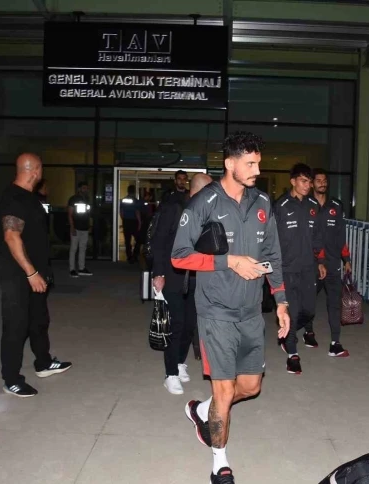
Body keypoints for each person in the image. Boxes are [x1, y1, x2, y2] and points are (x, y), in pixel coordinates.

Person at [171, 132, 290, 484]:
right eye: (250, 164)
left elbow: (273, 255)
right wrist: (230, 261)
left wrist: (281, 301)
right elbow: (179, 257)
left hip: (251, 312)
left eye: (258, 163)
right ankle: (219, 463)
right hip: (215, 312)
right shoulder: (204, 203)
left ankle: (203, 410)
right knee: (224, 390)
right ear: (229, 164)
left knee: (251, 386)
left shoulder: (263, 202)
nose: (257, 170)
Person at [0, 153, 72, 398]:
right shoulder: (14, 197)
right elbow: (11, 236)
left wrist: (42, 272)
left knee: (39, 321)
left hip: (36, 274)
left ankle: (43, 363)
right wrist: (30, 272)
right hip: (18, 276)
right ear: (36, 170)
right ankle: (11, 379)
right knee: (16, 327)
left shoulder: (31, 197)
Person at [152, 173, 213, 395]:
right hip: (173, 275)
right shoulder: (174, 208)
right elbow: (158, 241)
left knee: (190, 324)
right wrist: (158, 273)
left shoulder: (207, 212)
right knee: (176, 324)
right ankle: (170, 374)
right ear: (198, 191)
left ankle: (179, 362)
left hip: (196, 276)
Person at [273, 163, 326, 374]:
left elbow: (318, 236)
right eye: (304, 181)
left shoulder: (313, 205)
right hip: (287, 268)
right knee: (292, 311)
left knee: (309, 310)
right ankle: (292, 353)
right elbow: (272, 239)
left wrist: (320, 261)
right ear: (293, 181)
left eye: (309, 181)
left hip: (308, 268)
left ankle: (290, 331)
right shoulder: (281, 205)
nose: (308, 185)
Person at [307, 168, 350, 357]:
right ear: (312, 183)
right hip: (311, 263)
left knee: (334, 303)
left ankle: (335, 343)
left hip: (332, 263)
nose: (322, 183)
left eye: (324, 180)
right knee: (308, 301)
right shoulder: (306, 204)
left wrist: (346, 258)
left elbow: (341, 235)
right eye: (318, 180)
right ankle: (308, 332)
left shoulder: (336, 205)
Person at [67, 182, 92, 278]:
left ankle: (81, 268)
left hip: (85, 228)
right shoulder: (73, 199)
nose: (86, 190)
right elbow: (70, 214)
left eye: (87, 188)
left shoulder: (87, 199)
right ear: (79, 189)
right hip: (76, 227)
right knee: (73, 249)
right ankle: (72, 269)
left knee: (83, 249)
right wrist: (72, 227)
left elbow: (88, 214)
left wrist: (89, 225)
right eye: (84, 188)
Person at [120, 186, 142, 263]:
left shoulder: (123, 200)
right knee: (138, 239)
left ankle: (129, 257)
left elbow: (121, 212)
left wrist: (124, 220)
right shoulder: (135, 201)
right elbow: (137, 212)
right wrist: (139, 222)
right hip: (134, 221)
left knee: (127, 240)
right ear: (134, 192)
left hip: (126, 221)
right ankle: (135, 255)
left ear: (128, 191)